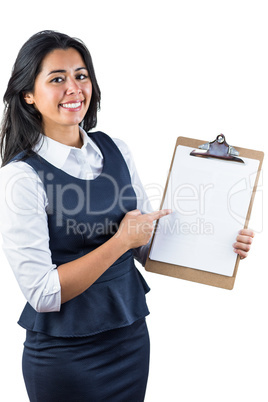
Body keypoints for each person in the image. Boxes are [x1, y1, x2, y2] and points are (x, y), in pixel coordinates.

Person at [0, 30, 254, 402]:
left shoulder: (114, 149)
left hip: (129, 339)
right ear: (28, 95)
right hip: (65, 356)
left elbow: (148, 247)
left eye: (81, 75)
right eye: (57, 79)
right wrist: (121, 241)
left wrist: (222, 241)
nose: (74, 88)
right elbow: (42, 292)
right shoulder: (21, 177)